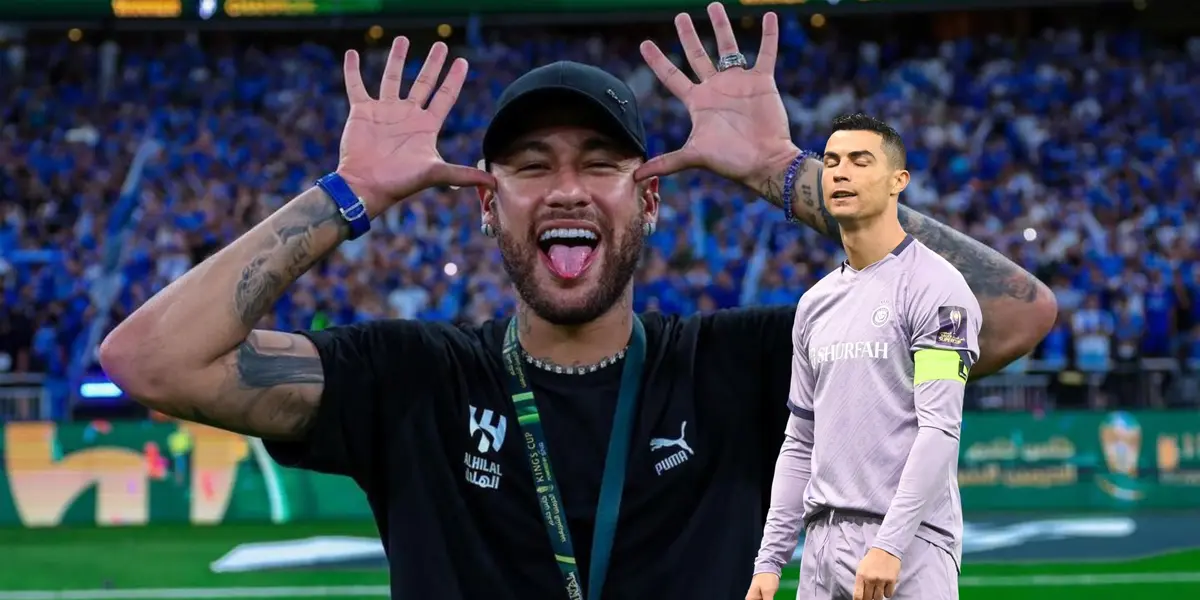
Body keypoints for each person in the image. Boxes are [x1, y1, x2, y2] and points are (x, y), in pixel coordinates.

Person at [99, 4, 1055, 599]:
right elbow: (153, 361)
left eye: (601, 164)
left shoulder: (748, 365)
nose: (565, 188)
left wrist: (783, 171)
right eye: (528, 166)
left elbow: (1010, 315)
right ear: (485, 204)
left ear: (647, 198)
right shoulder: (414, 380)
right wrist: (349, 199)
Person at [747, 115, 976, 600]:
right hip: (821, 548)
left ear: (899, 181)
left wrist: (889, 546)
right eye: (830, 161)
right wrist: (769, 562)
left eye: (859, 160)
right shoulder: (814, 304)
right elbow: (800, 440)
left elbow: (940, 430)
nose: (840, 172)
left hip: (908, 545)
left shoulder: (936, 288)